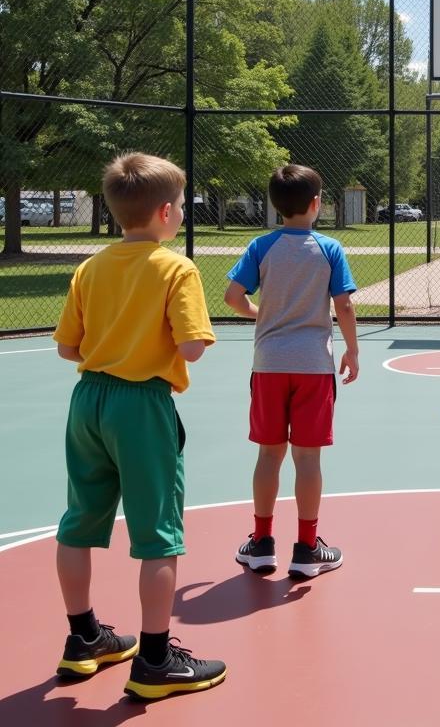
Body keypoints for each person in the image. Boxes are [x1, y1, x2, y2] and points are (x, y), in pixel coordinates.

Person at [52, 152, 225, 700]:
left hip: (88, 402)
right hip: (141, 405)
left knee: (79, 520)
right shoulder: (176, 268)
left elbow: (66, 347)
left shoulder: (91, 266)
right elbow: (193, 348)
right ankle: (154, 660)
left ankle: (83, 639)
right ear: (168, 212)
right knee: (158, 536)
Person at [225, 164, 358, 579]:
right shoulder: (329, 248)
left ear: (273, 205)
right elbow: (345, 305)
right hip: (313, 366)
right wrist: (353, 349)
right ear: (316, 204)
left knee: (269, 454)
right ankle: (306, 548)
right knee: (307, 458)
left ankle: (262, 543)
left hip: (269, 365)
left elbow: (232, 295)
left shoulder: (261, 246)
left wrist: (259, 313)